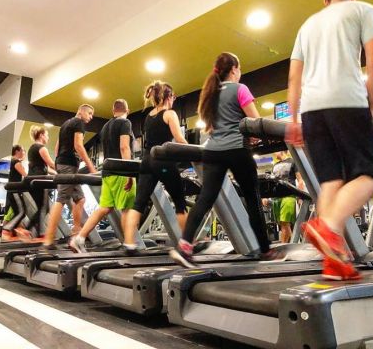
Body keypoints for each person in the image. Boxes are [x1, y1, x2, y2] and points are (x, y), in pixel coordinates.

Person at [287, 0, 373, 280]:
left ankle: (333, 262)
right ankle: (327, 227)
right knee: (372, 172)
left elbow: (294, 76)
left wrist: (293, 119)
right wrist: (371, 102)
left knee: (331, 180)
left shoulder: (308, 25)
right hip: (347, 100)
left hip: (312, 109)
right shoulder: (363, 10)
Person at [170, 52, 273, 268]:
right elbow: (255, 122)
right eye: (239, 68)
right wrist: (257, 136)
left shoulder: (211, 92)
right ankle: (265, 249)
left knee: (205, 199)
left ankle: (184, 246)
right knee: (252, 199)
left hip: (213, 152)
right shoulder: (240, 89)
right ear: (234, 69)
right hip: (237, 150)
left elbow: (213, 125)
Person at [122, 81, 188, 253]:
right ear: (168, 96)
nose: (173, 100)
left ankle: (129, 243)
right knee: (180, 203)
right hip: (163, 161)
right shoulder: (170, 114)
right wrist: (195, 151)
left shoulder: (148, 116)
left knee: (138, 203)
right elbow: (179, 139)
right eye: (173, 97)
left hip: (146, 161)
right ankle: (188, 243)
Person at [69, 99, 136, 253]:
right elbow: (124, 147)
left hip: (107, 173)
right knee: (127, 208)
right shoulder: (125, 123)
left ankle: (79, 239)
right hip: (120, 171)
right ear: (128, 110)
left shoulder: (105, 126)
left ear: (113, 111)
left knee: (104, 208)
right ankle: (129, 244)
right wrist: (130, 172)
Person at [43, 104, 97, 249]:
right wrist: (91, 166)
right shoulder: (79, 123)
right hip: (68, 165)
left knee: (80, 199)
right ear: (81, 112)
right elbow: (78, 145)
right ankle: (48, 239)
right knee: (61, 199)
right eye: (90, 113)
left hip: (64, 164)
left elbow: (57, 147)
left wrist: (58, 163)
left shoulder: (66, 124)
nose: (91, 117)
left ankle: (76, 234)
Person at [15, 125, 56, 240]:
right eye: (47, 135)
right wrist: (64, 170)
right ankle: (26, 229)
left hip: (33, 181)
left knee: (41, 208)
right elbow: (51, 163)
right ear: (41, 135)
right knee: (44, 208)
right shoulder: (41, 148)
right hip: (39, 181)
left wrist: (57, 174)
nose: (48, 137)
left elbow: (45, 168)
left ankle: (37, 233)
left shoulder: (32, 148)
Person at [270, 151, 303, 243]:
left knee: (285, 222)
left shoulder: (292, 161)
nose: (273, 154)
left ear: (281, 151)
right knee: (282, 224)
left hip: (289, 195)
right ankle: (293, 243)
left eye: (275, 152)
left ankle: (282, 246)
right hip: (276, 197)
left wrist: (300, 196)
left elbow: (300, 180)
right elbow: (272, 182)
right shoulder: (275, 165)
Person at [2, 145, 27, 240]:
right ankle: (7, 230)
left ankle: (13, 233)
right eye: (23, 151)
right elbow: (26, 175)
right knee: (21, 212)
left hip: (13, 192)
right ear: (17, 151)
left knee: (17, 212)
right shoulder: (16, 162)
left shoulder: (13, 161)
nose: (24, 153)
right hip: (15, 192)